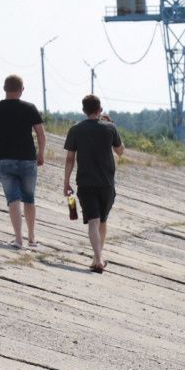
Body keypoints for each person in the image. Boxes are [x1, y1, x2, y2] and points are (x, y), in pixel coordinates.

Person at [0, 74, 47, 250]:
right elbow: (41, 133)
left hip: (5, 159)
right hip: (27, 159)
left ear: (4, 89)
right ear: (22, 90)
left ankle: (18, 239)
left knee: (13, 199)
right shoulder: (30, 108)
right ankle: (32, 239)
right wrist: (41, 154)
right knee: (29, 199)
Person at [62, 95, 124, 273]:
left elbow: (69, 159)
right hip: (106, 184)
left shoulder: (76, 130)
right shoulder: (110, 128)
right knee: (101, 221)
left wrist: (66, 182)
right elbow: (120, 152)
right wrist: (113, 126)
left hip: (85, 182)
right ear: (100, 109)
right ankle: (98, 258)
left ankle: (97, 257)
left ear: (83, 110)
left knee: (94, 222)